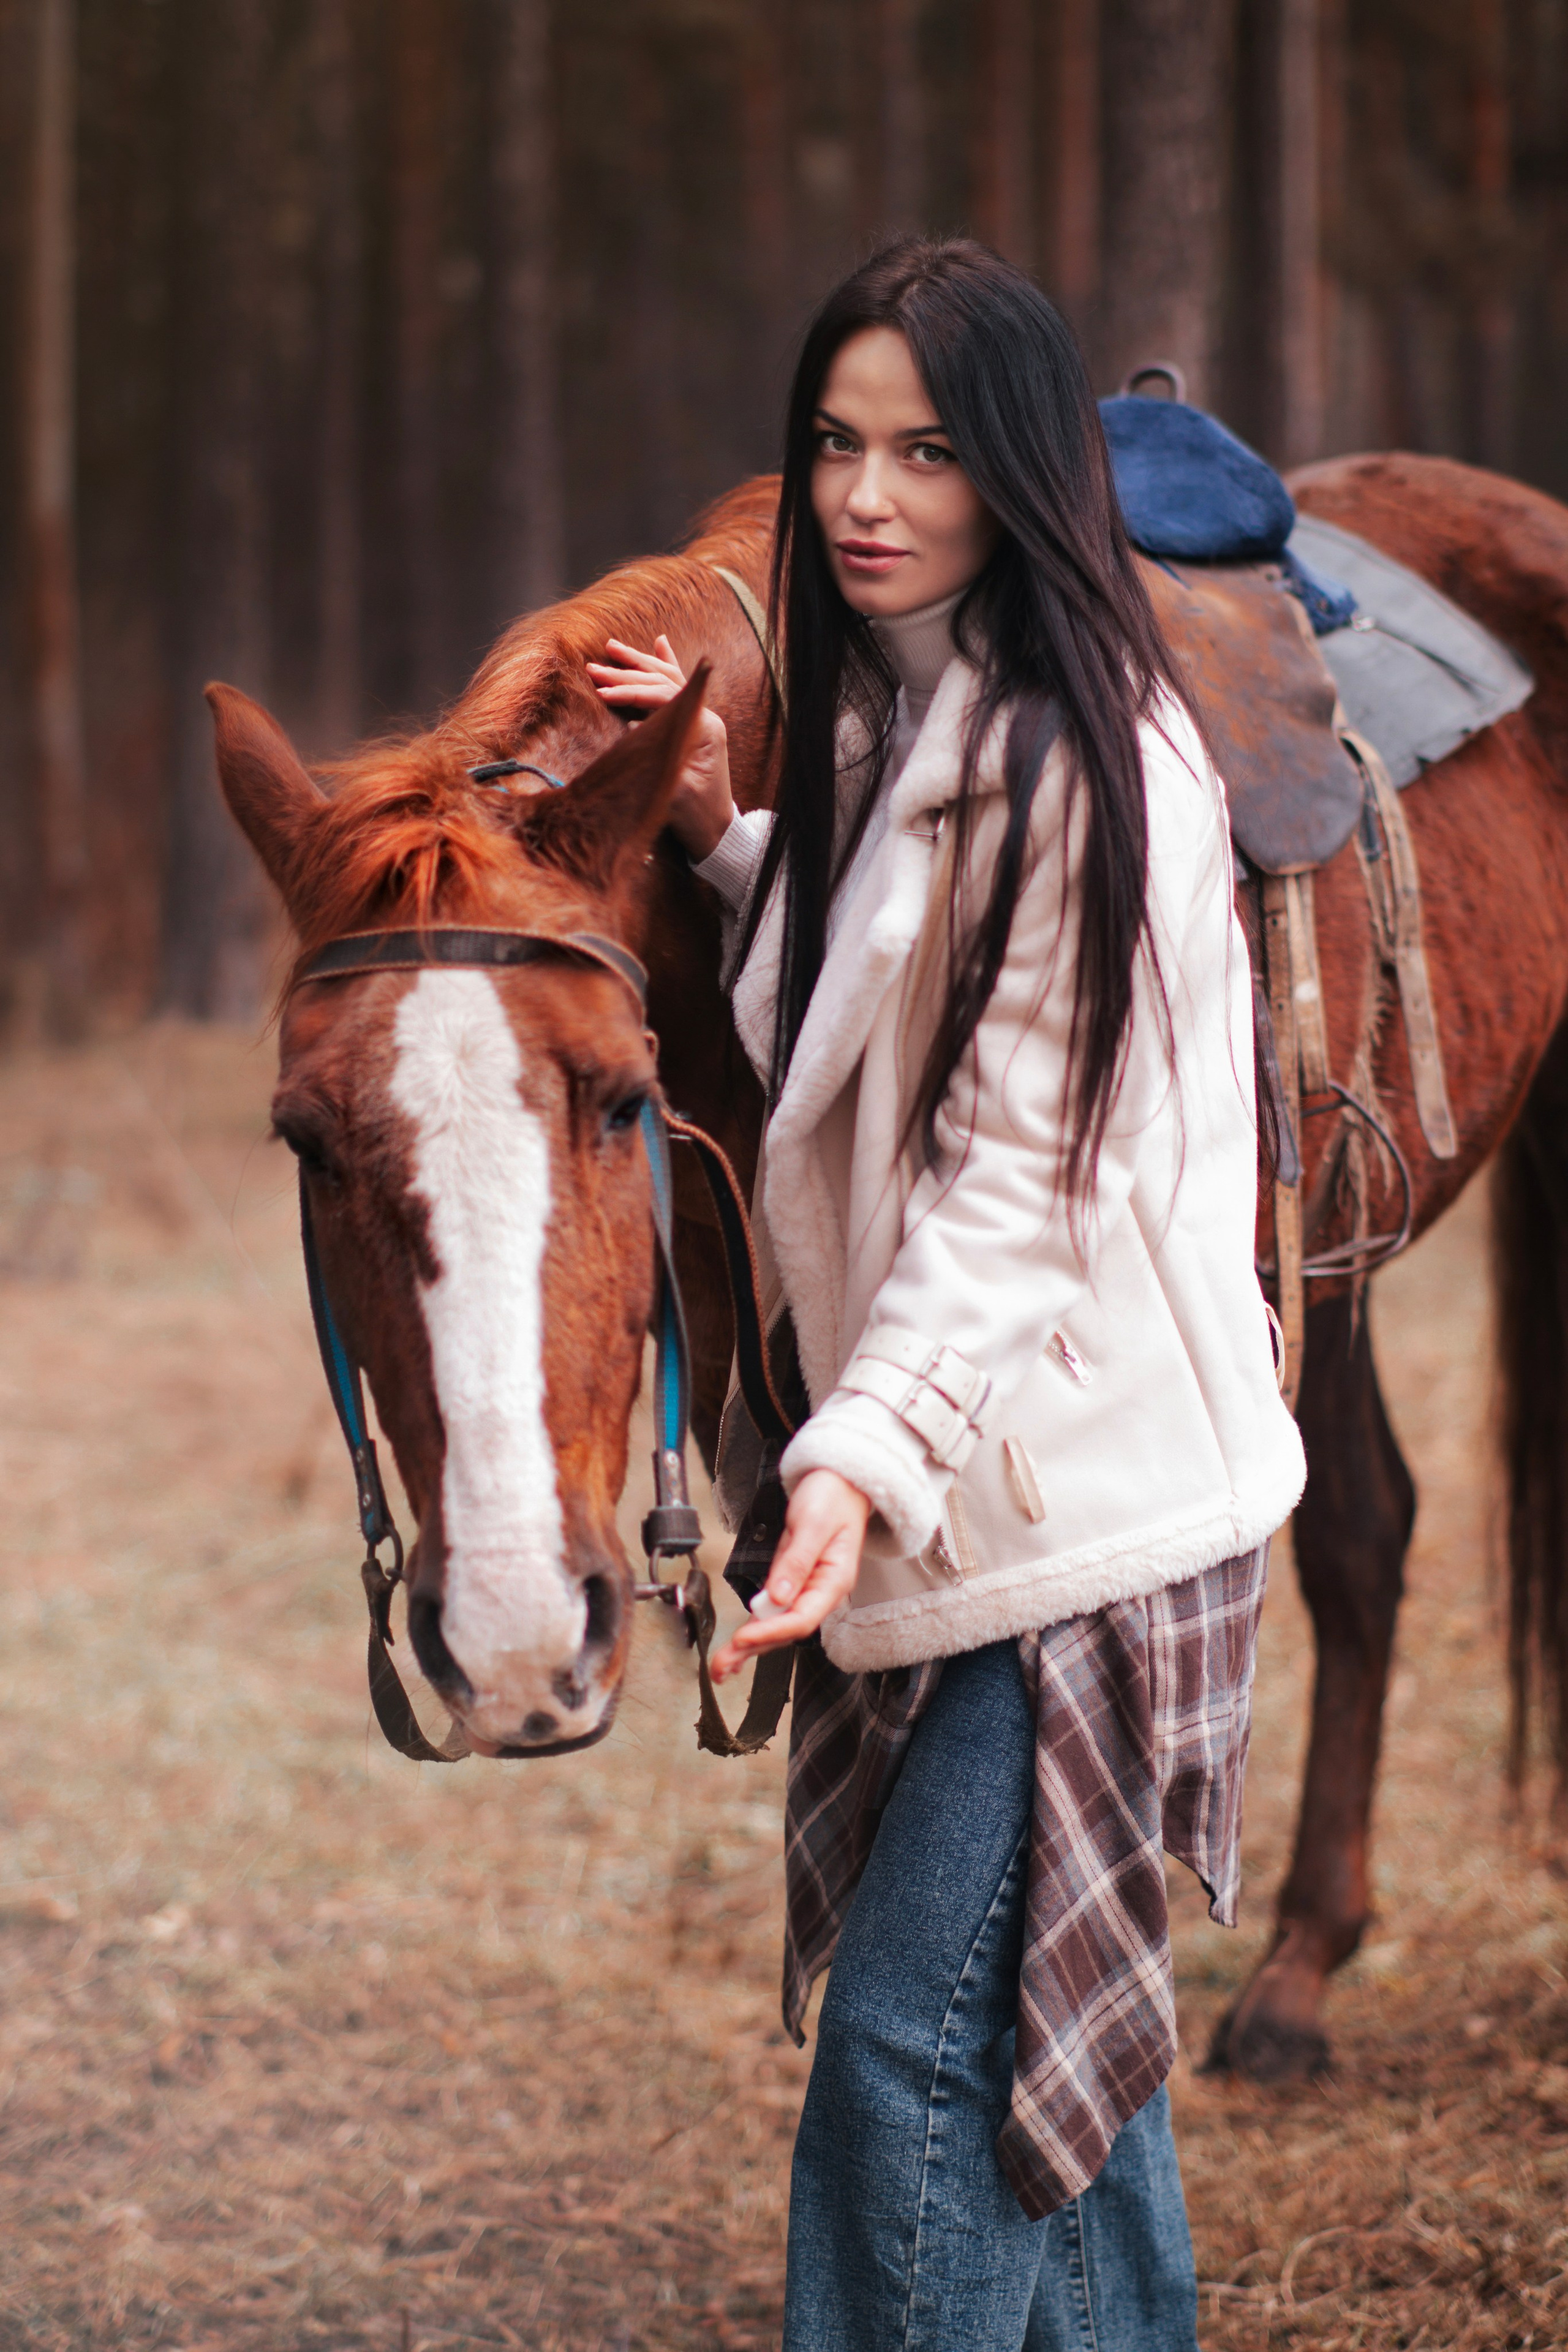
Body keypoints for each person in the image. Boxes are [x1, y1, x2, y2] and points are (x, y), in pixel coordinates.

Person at [588, 236, 1305, 2352]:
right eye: (836, 443)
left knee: (912, 2048)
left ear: (1017, 470)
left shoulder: (1100, 761)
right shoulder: (904, 721)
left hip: (1077, 1504)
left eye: (925, 452)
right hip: (990, 1479)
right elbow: (881, 1020)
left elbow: (1019, 1178)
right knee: (1042, 2049)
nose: (864, 496)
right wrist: (730, 845)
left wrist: (853, 1454)